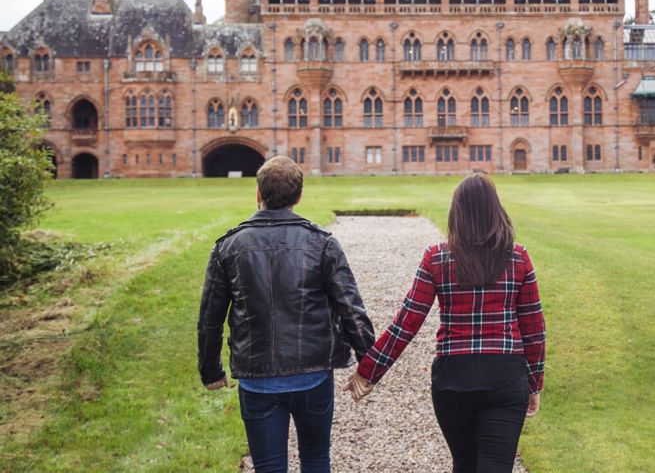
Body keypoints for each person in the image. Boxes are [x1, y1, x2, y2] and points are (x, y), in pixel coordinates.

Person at [344, 173, 546, 473]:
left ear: (457, 212)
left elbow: (407, 321)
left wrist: (370, 369)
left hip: (454, 379)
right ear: (495, 210)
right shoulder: (517, 258)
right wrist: (534, 383)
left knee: (464, 465)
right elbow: (534, 331)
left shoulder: (437, 258)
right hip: (504, 377)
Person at [197, 156, 374, 473]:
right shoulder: (322, 243)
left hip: (258, 377)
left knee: (269, 466)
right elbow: (351, 307)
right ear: (298, 197)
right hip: (312, 375)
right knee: (316, 458)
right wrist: (369, 363)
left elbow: (210, 318)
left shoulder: (228, 246)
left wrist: (210, 370)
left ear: (258, 194)